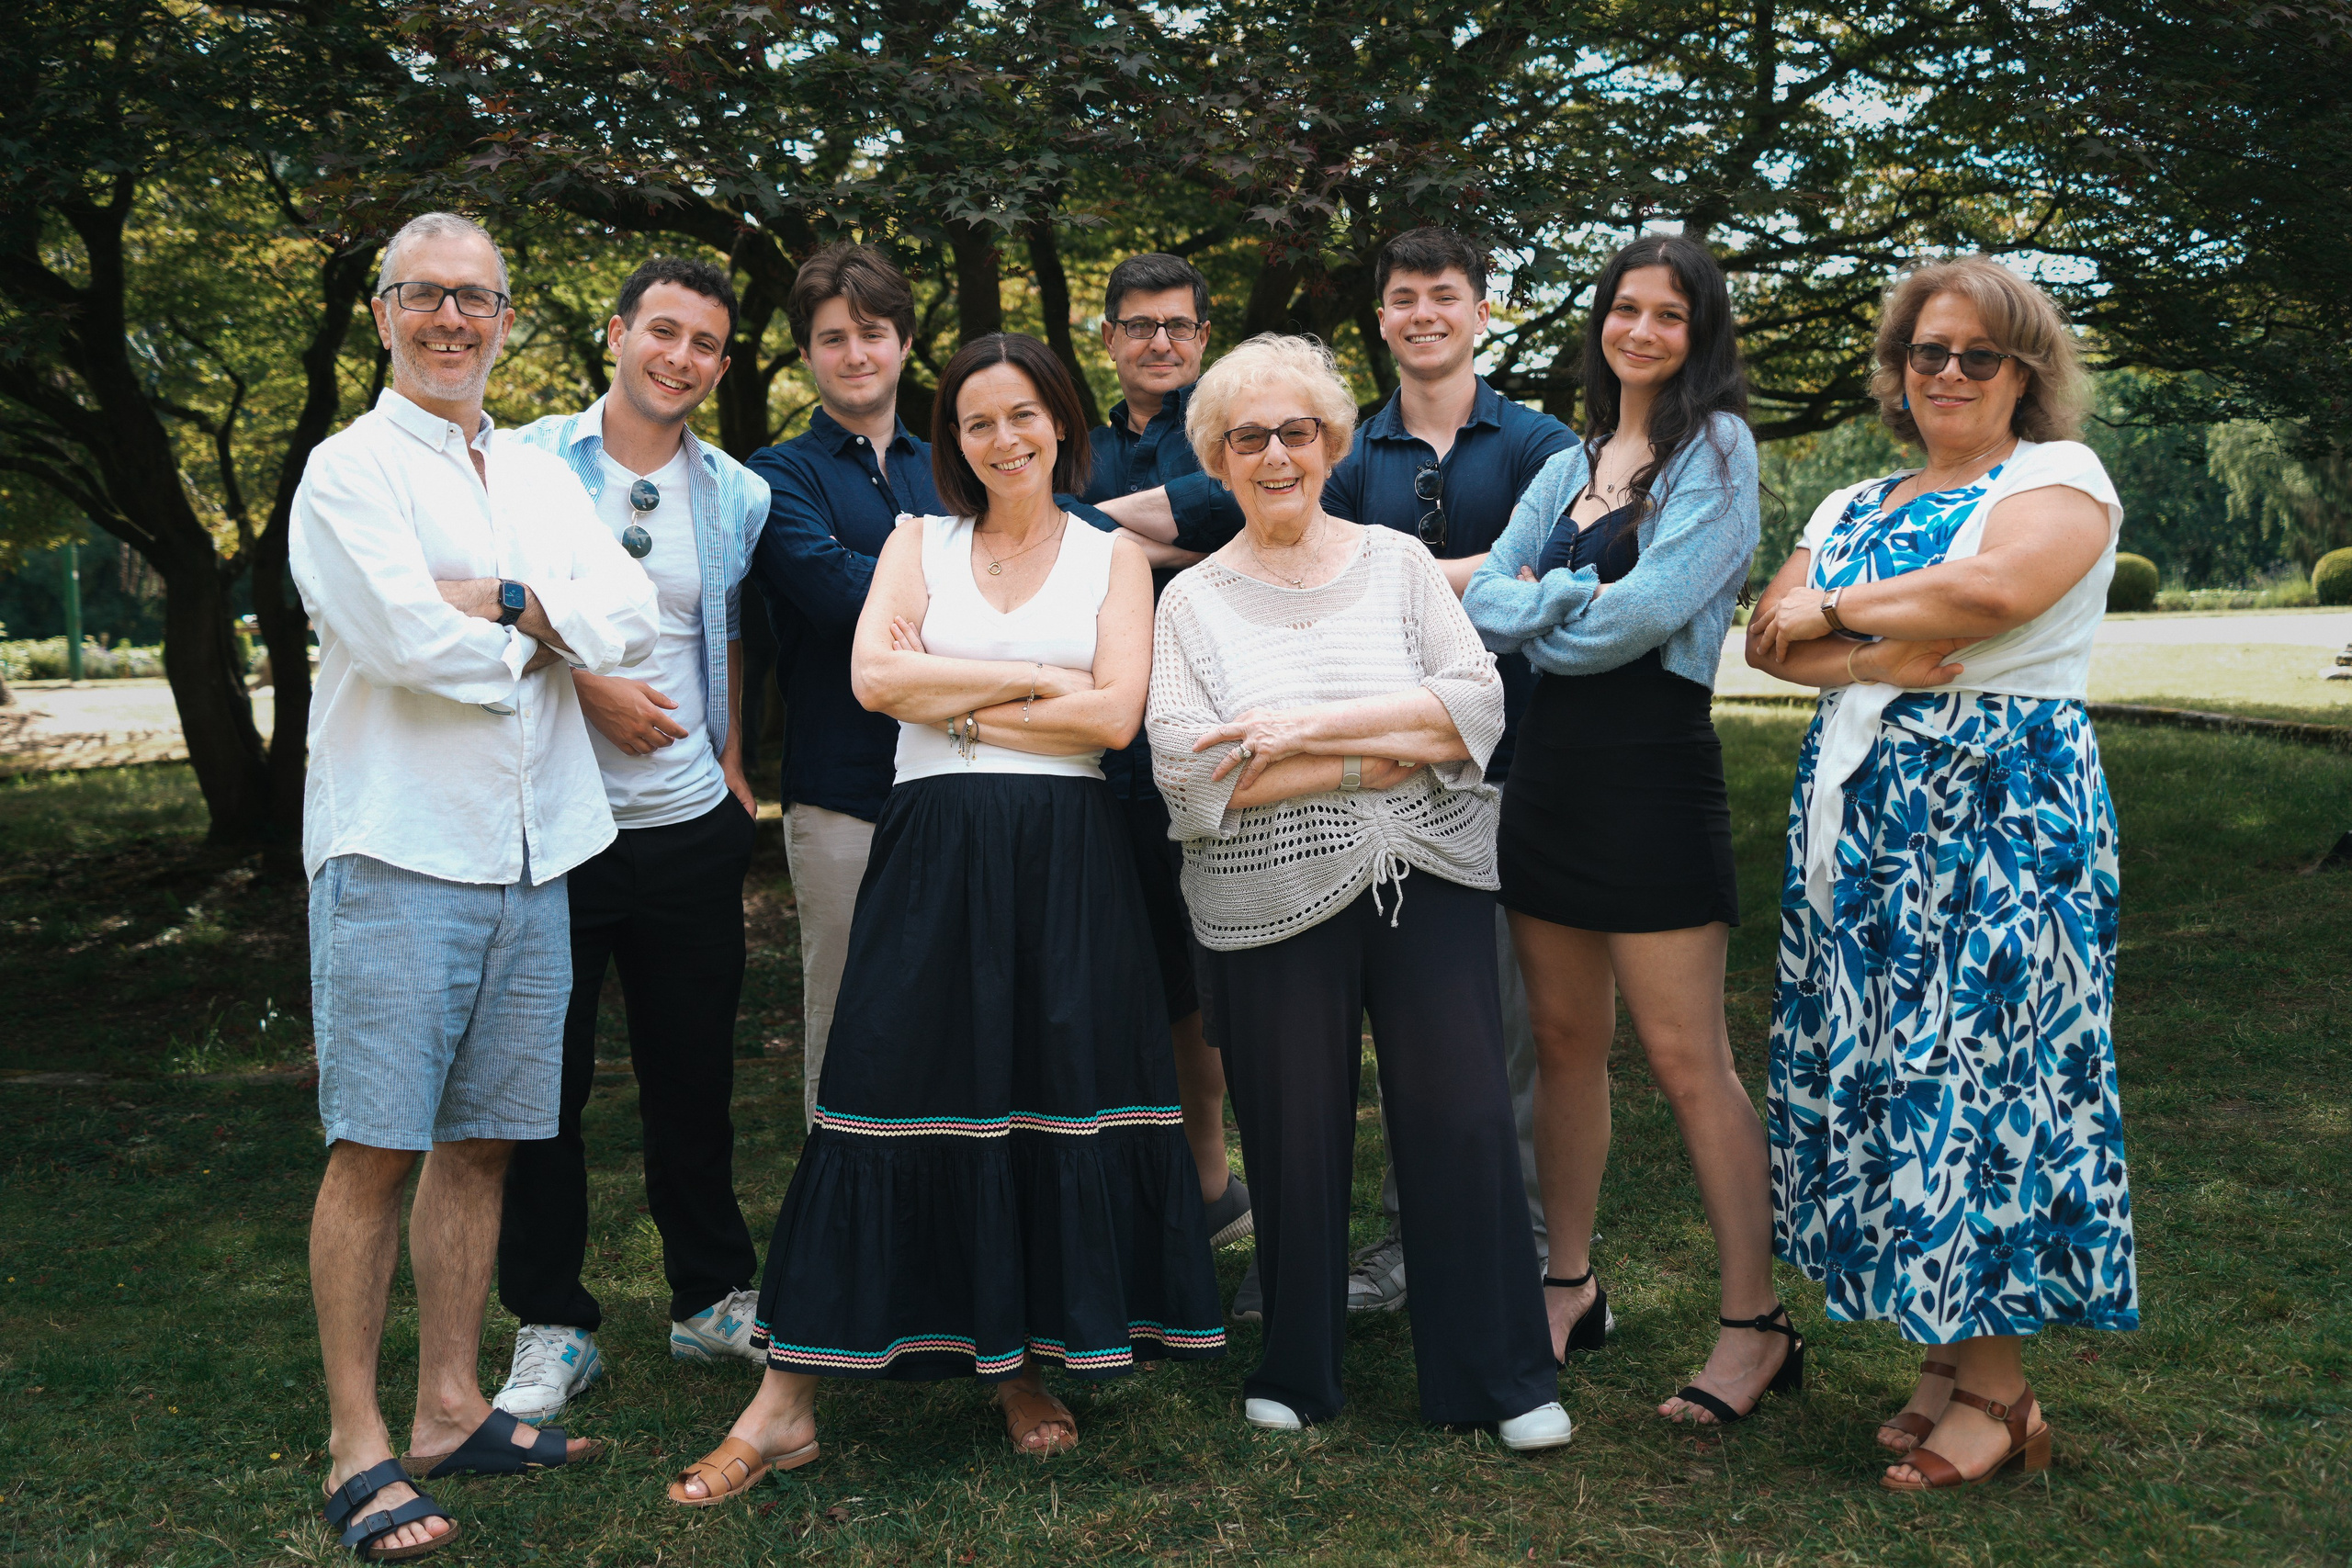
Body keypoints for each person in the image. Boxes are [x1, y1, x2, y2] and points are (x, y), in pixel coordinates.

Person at [667, 333, 1224, 1503]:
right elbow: (875, 682)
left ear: (1060, 421)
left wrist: (957, 698)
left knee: (1036, 1095)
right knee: (879, 1090)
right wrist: (1038, 686)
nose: (1002, 438)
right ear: (952, 442)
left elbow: (1113, 719)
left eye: (1022, 415)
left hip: (1065, 855)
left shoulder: (1114, 557)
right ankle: (782, 1406)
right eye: (977, 422)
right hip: (931, 846)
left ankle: (1018, 1367)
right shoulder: (916, 542)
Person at [1108, 228, 1572, 1318]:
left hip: (1494, 781)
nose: (1280, 453)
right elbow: (1255, 527)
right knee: (1327, 1080)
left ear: (1480, 310)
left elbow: (1536, 585)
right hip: (1375, 790)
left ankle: (1507, 1263)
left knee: (1481, 1063)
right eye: (1402, 296)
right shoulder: (1353, 450)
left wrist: (1310, 729)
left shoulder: (1538, 445)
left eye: (1444, 294)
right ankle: (1359, 1270)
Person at [290, 212, 657, 1562]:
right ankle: (358, 1441)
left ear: (506, 317)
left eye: (476, 298)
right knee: (377, 1147)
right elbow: (405, 642)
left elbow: (629, 620)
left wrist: (499, 597)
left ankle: (450, 1405)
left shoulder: (543, 474)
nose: (451, 319)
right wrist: (544, 622)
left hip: (533, 852)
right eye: (425, 295)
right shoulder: (347, 471)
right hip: (400, 851)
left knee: (487, 1140)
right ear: (384, 311)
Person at [1747, 254, 2137, 1489]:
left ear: (2024, 371)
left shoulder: (2056, 478)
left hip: (2003, 818)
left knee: (1988, 1075)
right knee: (1894, 1074)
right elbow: (1764, 640)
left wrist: (1835, 613)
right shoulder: (1854, 496)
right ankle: (1942, 1357)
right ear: (1898, 367)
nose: (1950, 372)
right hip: (1871, 826)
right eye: (1929, 351)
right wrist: (1867, 656)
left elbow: (1995, 586)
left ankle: (2002, 1393)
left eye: (1979, 354)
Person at [1464, 234, 1789, 1424]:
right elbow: (1482, 601)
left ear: (1700, 334)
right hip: (1545, 773)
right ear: (1600, 319)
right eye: (1625, 307)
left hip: (1651, 772)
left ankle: (1755, 1323)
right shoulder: (1570, 459)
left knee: (1687, 1058)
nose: (1641, 330)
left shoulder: (1719, 451)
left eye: (1669, 314)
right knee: (1561, 1040)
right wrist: (1559, 603)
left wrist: (1543, 606)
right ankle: (1569, 1285)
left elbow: (1641, 618)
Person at [492, 255, 775, 1423]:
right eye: (662, 331)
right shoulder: (522, 461)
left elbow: (726, 631)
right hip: (554, 826)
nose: (680, 357)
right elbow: (483, 599)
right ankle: (552, 1324)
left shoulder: (737, 493)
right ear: (616, 333)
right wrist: (585, 681)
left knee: (692, 1080)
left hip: (687, 830)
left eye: (704, 343)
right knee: (541, 1089)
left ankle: (710, 1299)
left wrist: (733, 764)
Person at [750, 245, 1114, 1128]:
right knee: (853, 1017)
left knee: (965, 1014)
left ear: (905, 343)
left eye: (873, 333)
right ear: (806, 352)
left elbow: (1068, 539)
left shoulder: (955, 454)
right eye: (832, 338)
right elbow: (839, 597)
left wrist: (927, 637)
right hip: (844, 790)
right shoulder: (778, 474)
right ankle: (839, 1201)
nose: (855, 354)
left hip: (972, 795)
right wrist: (1009, 649)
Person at [1080, 253, 1255, 1286]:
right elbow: (1032, 537)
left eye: (1178, 326)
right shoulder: (1077, 440)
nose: (1159, 342)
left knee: (1210, 981)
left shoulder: (1237, 432)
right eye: (1139, 325)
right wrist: (1167, 538)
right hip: (1097, 748)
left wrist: (1089, 535)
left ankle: (1210, 1180)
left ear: (1202, 337)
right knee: (1115, 969)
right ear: (1108, 337)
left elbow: (1237, 514)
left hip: (1213, 738)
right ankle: (1126, 1182)